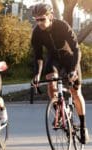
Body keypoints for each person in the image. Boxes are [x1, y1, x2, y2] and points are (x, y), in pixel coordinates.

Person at [31, 3, 89, 144]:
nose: (39, 23)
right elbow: (38, 56)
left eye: (42, 19)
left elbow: (76, 50)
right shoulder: (36, 32)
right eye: (36, 20)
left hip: (70, 58)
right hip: (54, 59)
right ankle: (59, 110)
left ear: (50, 16)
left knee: (75, 93)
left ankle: (82, 127)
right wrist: (37, 74)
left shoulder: (62, 26)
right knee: (51, 81)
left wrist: (74, 70)